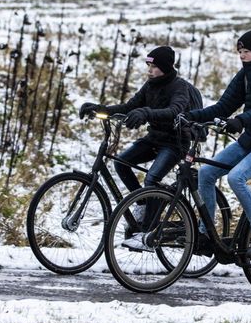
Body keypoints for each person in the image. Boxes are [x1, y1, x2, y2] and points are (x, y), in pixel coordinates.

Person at [78, 45, 199, 250]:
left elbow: (174, 110)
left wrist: (147, 113)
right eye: (148, 65)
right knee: (121, 163)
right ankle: (144, 204)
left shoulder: (179, 87)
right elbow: (129, 107)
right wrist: (101, 109)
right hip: (154, 139)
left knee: (151, 178)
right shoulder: (150, 84)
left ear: (165, 67)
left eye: (153, 66)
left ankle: (147, 233)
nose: (149, 70)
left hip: (174, 142)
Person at [185, 30, 251, 259]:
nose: (242, 56)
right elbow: (222, 107)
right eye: (240, 51)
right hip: (250, 140)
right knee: (206, 173)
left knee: (236, 177)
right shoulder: (245, 75)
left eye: (247, 51)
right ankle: (206, 235)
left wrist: (241, 120)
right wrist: (191, 116)